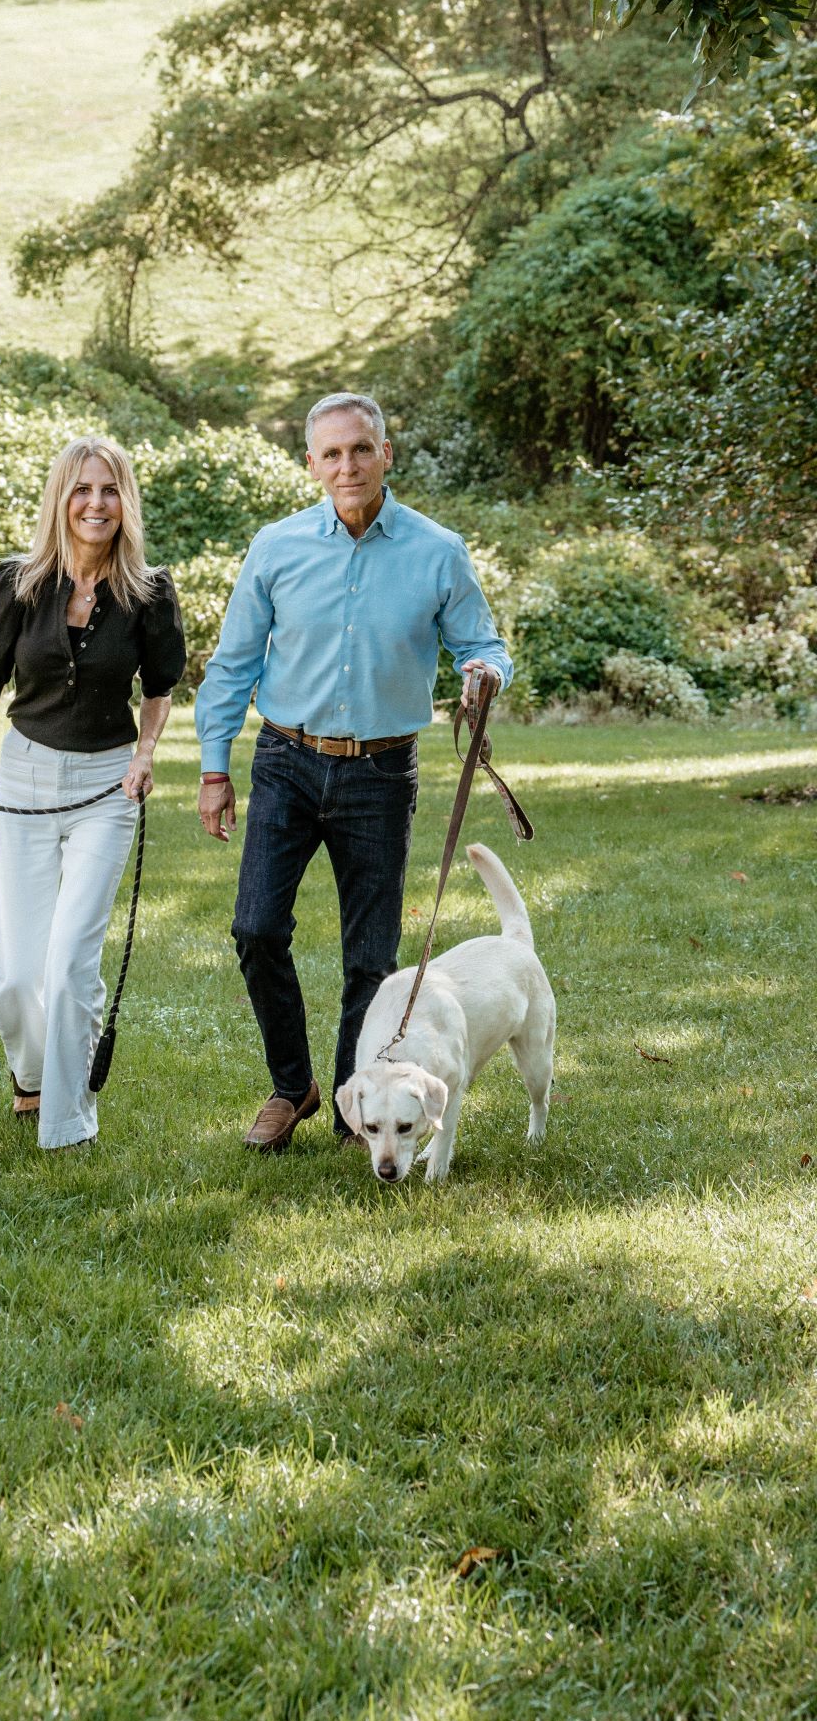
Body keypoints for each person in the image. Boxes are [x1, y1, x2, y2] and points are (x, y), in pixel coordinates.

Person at [195, 392, 512, 1152]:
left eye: (361, 449)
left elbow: (487, 642)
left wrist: (482, 671)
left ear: (386, 454)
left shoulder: (438, 551)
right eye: (331, 453)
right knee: (256, 927)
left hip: (380, 771)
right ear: (311, 463)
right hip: (285, 761)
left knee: (371, 958)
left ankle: (356, 1104)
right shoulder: (276, 547)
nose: (347, 465)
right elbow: (232, 664)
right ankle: (292, 1085)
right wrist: (214, 768)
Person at [0, 436, 186, 1152]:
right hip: (25, 776)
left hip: (106, 785)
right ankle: (31, 1082)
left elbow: (158, 689)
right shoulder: (19, 583)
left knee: (68, 968)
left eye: (110, 490)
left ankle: (68, 1121)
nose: (97, 504)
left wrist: (146, 754)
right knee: (14, 976)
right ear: (60, 499)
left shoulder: (149, 593)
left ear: (126, 502)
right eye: (83, 490)